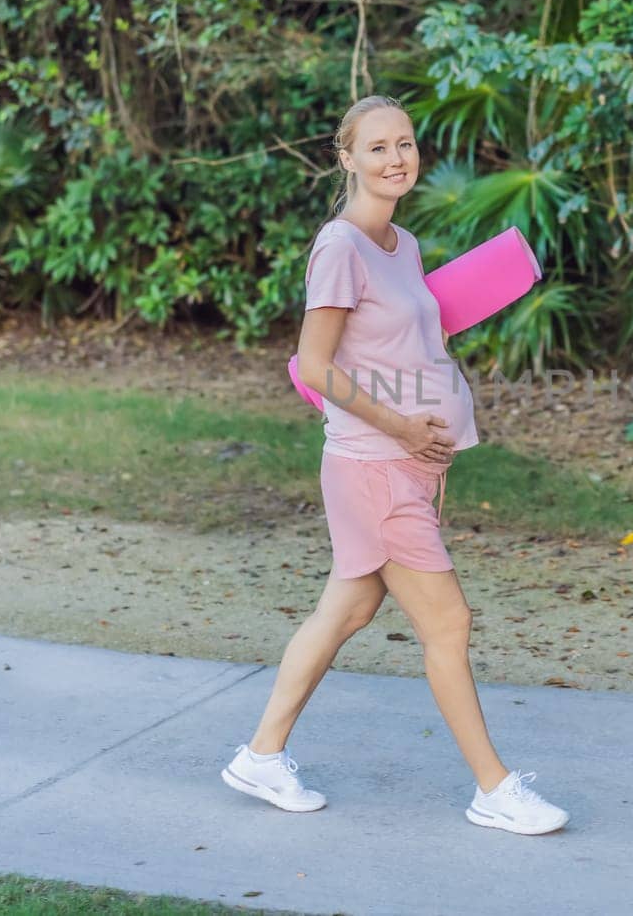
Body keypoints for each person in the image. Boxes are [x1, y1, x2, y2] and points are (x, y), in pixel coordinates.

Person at [221, 94, 570, 835]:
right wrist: (404, 431)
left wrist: (429, 444)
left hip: (403, 466)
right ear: (346, 158)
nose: (396, 158)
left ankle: (261, 754)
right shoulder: (340, 246)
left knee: (346, 608)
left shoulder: (401, 245)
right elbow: (315, 365)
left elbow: (403, 349)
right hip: (373, 465)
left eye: (405, 143)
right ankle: (494, 787)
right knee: (449, 622)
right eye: (376, 147)